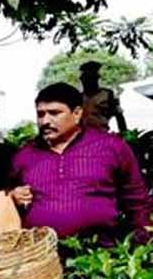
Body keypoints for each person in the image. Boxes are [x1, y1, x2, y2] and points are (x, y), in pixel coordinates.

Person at [9, 82, 150, 244]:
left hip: (100, 254)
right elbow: (6, 200)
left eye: (54, 113)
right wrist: (13, 197)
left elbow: (137, 199)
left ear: (76, 113)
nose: (45, 121)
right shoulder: (24, 155)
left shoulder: (111, 147)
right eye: (40, 114)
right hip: (41, 253)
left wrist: (143, 241)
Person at [80, 61, 127, 132]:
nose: (86, 82)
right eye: (84, 79)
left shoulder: (107, 94)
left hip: (101, 133)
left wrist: (124, 133)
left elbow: (119, 115)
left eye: (90, 79)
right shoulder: (79, 97)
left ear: (96, 79)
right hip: (83, 134)